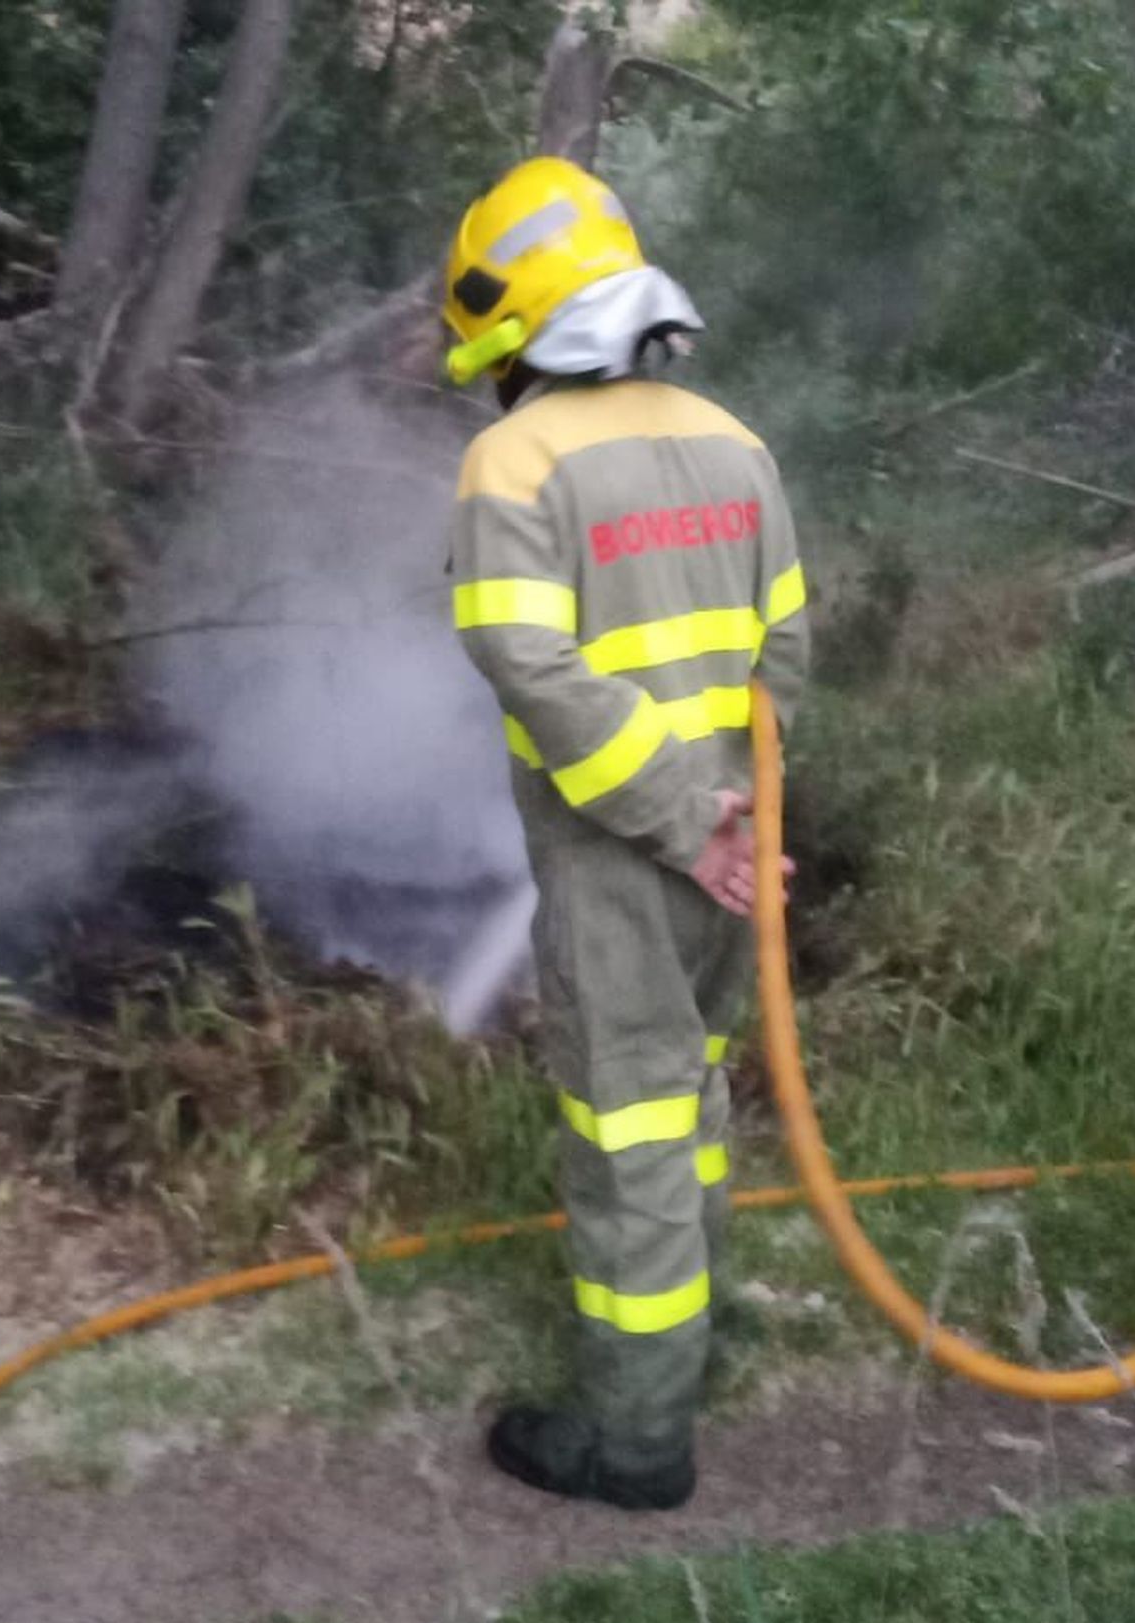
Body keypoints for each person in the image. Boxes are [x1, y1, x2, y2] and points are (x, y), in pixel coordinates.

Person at [442, 156, 811, 1510]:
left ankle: (636, 1436)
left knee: (630, 1126)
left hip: (622, 856)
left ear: (519, 330)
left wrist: (673, 822)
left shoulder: (513, 457)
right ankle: (694, 1333)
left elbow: (527, 662)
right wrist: (737, 815)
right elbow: (787, 653)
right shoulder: (735, 442)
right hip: (725, 839)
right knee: (692, 1098)